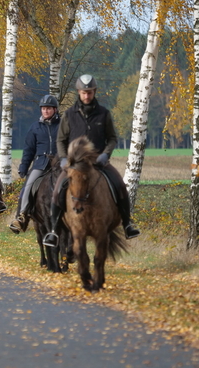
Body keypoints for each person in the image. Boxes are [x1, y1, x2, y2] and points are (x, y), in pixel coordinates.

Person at [43, 74, 141, 247]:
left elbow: (112, 138)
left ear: (94, 92)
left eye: (89, 92)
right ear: (79, 93)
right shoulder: (69, 114)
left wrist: (105, 155)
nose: (86, 96)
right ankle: (53, 231)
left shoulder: (104, 113)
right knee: (58, 191)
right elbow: (60, 140)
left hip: (99, 163)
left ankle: (127, 224)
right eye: (83, 93)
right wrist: (64, 159)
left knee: (120, 186)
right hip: (75, 164)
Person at [9, 95, 61, 234]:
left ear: (55, 109)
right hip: (41, 163)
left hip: (60, 163)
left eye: (48, 108)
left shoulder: (63, 125)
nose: (45, 111)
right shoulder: (35, 127)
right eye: (43, 109)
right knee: (28, 186)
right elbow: (29, 150)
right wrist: (23, 167)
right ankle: (21, 217)